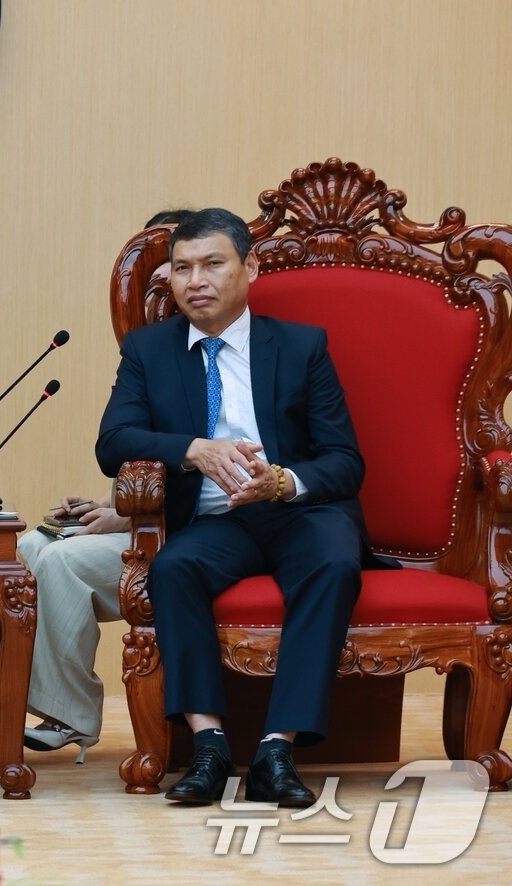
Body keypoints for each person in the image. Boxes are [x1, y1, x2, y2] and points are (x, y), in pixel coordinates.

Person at [96, 207, 381, 807]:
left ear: (249, 267)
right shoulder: (150, 350)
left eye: (212, 264)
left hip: (300, 512)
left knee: (333, 563)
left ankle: (277, 750)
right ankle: (209, 747)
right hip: (218, 520)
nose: (195, 280)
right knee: (172, 568)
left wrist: (281, 481)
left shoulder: (301, 346)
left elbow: (344, 461)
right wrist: (193, 450)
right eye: (182, 268)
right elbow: (113, 442)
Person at [0, 210, 191, 763]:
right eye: (162, 270)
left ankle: (61, 712)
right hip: (143, 519)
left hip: (190, 533)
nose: (165, 286)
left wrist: (125, 516)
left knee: (58, 563)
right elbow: (142, 457)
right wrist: (105, 506)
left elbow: (205, 471)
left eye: (175, 265)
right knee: (19, 554)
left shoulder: (227, 355)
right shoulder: (151, 354)